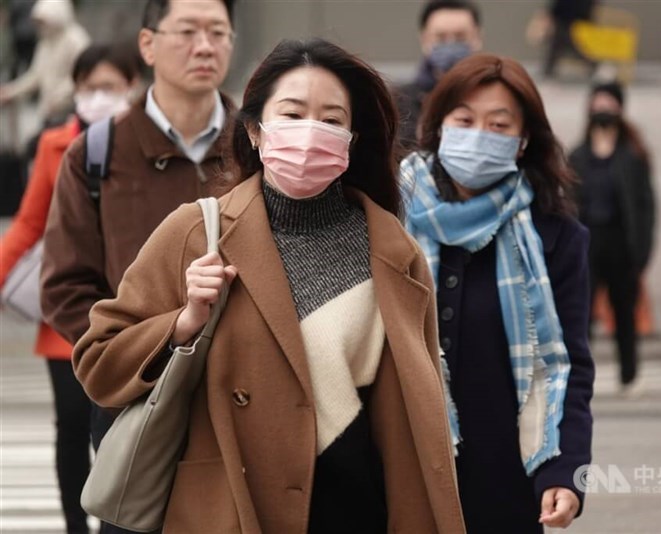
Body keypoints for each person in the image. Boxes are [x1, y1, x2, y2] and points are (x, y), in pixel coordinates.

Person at [72, 38, 466, 533]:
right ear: (256, 131)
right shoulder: (195, 233)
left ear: (352, 138)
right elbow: (98, 362)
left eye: (331, 120)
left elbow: (414, 411)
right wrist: (181, 323)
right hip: (229, 507)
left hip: (354, 507)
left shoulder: (394, 252)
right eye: (293, 113)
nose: (311, 133)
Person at [41, 0, 238, 531]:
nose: (205, 46)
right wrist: (136, 352)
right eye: (189, 31)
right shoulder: (97, 152)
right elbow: (65, 287)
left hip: (243, 399)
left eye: (218, 32)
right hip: (136, 400)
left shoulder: (259, 148)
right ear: (148, 44)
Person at [401, 53, 594, 533]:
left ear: (524, 140)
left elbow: (567, 364)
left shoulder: (557, 236)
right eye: (464, 120)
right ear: (439, 125)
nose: (478, 136)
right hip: (401, 472)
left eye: (499, 124)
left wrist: (563, 470)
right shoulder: (388, 215)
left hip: (505, 480)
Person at [0, 42, 141, 534]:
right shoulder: (54, 144)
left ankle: (112, 524)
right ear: (75, 90)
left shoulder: (144, 144)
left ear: (133, 87)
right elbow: (28, 224)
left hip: (130, 316)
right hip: (67, 317)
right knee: (72, 427)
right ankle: (76, 526)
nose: (99, 97)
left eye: (110, 86)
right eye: (89, 87)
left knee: (119, 433)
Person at [569, 81, 656, 397]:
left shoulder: (632, 156)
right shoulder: (577, 155)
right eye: (598, 103)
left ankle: (629, 375)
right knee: (582, 313)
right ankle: (583, 376)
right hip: (587, 244)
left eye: (610, 104)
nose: (603, 110)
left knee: (624, 312)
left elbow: (646, 205)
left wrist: (643, 251)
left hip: (621, 244)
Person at [395, 0, 482, 151]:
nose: (450, 44)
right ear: (424, 39)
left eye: (460, 37)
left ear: (477, 38)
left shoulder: (496, 96)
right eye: (441, 37)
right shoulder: (399, 101)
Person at [0, 0, 90, 125]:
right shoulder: (45, 43)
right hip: (49, 111)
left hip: (71, 111)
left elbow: (84, 74)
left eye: (43, 21)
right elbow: (36, 75)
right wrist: (10, 92)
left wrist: (61, 97)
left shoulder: (76, 40)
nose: (40, 26)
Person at [543, 0, 596, 79]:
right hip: (570, 20)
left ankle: (592, 64)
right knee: (562, 45)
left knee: (572, 45)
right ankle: (548, 68)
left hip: (573, 21)